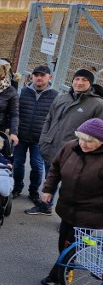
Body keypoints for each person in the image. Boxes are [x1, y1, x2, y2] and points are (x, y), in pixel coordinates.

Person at [39, 118, 103, 285]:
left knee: (72, 242)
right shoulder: (70, 147)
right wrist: (48, 189)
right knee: (64, 241)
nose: (84, 144)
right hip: (67, 206)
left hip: (92, 211)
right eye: (82, 138)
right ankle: (71, 262)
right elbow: (55, 169)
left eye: (90, 142)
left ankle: (58, 273)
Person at [35, 68, 103, 215]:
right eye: (77, 79)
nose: (79, 83)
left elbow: (99, 133)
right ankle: (45, 206)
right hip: (52, 147)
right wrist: (44, 140)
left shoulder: (98, 104)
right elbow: (49, 120)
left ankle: (67, 217)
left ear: (90, 83)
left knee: (71, 187)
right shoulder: (61, 98)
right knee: (50, 178)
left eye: (84, 80)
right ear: (72, 81)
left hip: (77, 153)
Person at [13, 65, 57, 203]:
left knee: (37, 166)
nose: (38, 78)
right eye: (36, 75)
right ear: (32, 76)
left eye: (42, 75)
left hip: (40, 139)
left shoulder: (55, 96)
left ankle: (33, 191)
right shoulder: (23, 92)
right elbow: (16, 113)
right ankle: (17, 187)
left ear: (49, 77)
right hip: (21, 136)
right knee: (18, 163)